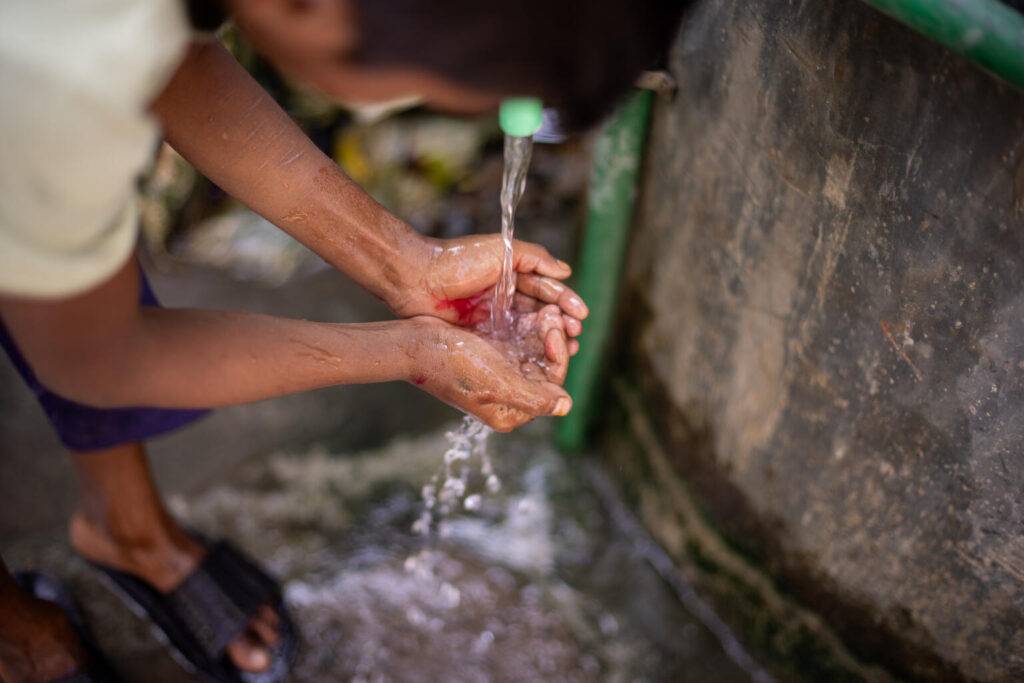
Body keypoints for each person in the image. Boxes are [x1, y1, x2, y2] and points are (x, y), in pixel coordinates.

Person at [0, 1, 686, 681]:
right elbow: (99, 360)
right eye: (433, 92)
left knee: (70, 267)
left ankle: (124, 528)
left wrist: (409, 266)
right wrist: (409, 352)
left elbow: (167, 60)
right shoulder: (48, 86)